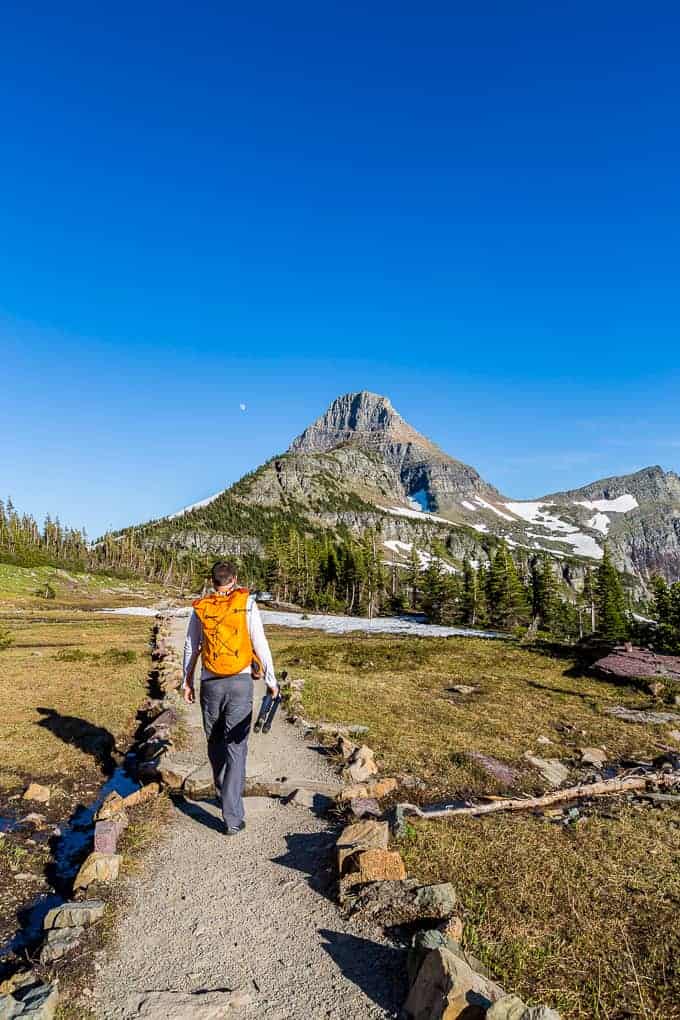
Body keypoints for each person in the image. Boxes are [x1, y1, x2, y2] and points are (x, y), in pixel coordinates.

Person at [182, 560, 278, 835]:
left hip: (210, 683)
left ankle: (225, 792)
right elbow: (259, 641)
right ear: (234, 579)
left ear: (212, 582)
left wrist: (186, 681)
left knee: (215, 743)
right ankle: (232, 816)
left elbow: (191, 645)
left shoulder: (202, 608)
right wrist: (271, 681)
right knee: (237, 747)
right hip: (240, 682)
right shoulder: (246, 603)